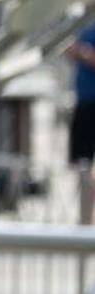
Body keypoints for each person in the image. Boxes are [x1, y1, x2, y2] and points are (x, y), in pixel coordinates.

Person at [67, 21, 95, 225]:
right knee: (82, 165)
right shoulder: (84, 25)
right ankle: (84, 220)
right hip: (84, 102)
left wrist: (83, 53)